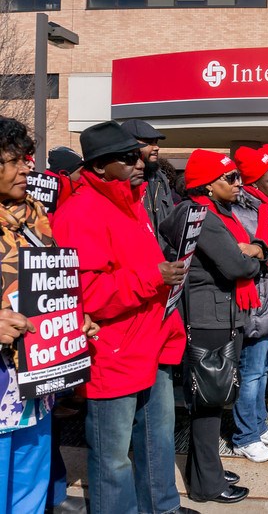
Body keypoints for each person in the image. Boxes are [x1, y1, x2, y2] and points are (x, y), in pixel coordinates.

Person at [53, 121, 190, 513]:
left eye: (139, 154)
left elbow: (137, 269)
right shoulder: (80, 212)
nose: (139, 162)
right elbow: (87, 295)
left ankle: (162, 507)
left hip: (151, 343)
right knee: (113, 459)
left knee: (157, 440)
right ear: (99, 167)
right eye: (128, 157)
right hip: (113, 352)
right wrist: (154, 276)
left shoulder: (132, 202)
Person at [0, 118, 98, 514]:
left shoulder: (37, 216)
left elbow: (51, 284)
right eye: (13, 161)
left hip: (33, 386)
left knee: (30, 489)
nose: (27, 168)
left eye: (26, 159)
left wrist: (75, 317)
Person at [160, 149, 265, 504]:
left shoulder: (201, 212)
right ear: (208, 185)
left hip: (213, 315)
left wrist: (248, 250)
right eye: (231, 178)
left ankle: (206, 469)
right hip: (210, 319)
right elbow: (236, 266)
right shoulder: (201, 215)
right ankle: (207, 484)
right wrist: (254, 256)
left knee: (207, 400)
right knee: (208, 402)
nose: (239, 184)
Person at [228, 145, 268, 462]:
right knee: (251, 373)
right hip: (256, 301)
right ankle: (244, 436)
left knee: (263, 369)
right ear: (253, 184)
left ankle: (257, 425)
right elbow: (245, 254)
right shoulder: (242, 212)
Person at [120, 119, 174, 255]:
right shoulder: (119, 179)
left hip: (163, 259)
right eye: (150, 142)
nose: (156, 147)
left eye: (156, 142)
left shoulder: (159, 178)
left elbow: (170, 220)